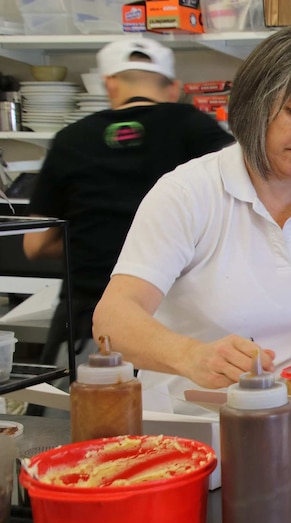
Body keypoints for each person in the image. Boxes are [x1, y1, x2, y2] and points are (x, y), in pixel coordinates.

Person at [92, 25, 291, 414]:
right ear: (255, 103)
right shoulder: (187, 194)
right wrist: (191, 356)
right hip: (191, 437)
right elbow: (112, 321)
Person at [23, 37, 235, 410]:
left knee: (76, 443)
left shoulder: (70, 139)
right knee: (167, 446)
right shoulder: (196, 128)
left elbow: (34, 244)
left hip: (86, 328)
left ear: (109, 83)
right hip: (172, 335)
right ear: (173, 88)